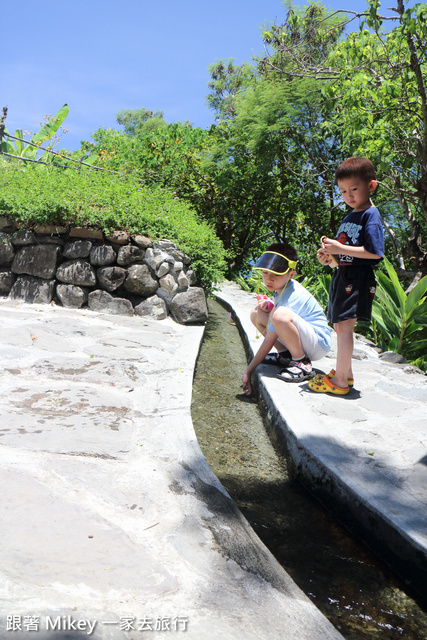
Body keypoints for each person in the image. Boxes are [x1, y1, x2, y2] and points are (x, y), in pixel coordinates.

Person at [309, 156, 384, 396]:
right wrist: (330, 259)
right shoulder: (350, 216)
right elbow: (345, 257)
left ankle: (340, 381)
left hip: (357, 279)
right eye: (343, 191)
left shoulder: (370, 215)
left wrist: (339, 249)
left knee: (344, 329)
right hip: (344, 275)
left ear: (370, 186)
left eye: (354, 189)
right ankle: (346, 374)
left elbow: (374, 253)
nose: (349, 196)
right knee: (340, 326)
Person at [242, 242, 331, 396]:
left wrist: (248, 371)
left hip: (318, 344)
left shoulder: (293, 294)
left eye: (276, 275)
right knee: (256, 314)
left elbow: (269, 340)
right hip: (304, 338)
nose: (269, 279)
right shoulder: (282, 288)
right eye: (265, 272)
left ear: (291, 274)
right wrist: (270, 303)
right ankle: (285, 355)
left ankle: (302, 362)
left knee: (279, 314)